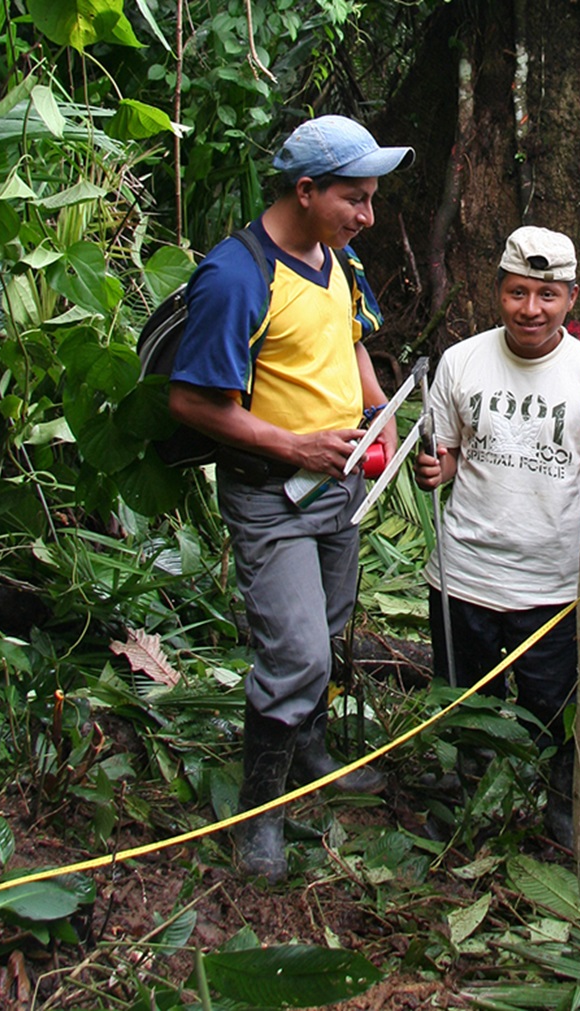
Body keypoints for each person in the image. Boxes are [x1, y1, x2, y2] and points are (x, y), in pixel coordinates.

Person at [168, 115, 414, 883]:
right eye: (355, 199)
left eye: (372, 199)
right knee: (297, 651)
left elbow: (349, 341)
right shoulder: (237, 276)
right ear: (305, 190)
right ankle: (259, 813)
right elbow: (194, 403)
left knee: (331, 623)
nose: (366, 216)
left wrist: (380, 407)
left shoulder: (337, 258)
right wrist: (297, 445)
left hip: (336, 485)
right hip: (273, 492)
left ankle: (308, 747)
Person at [414, 226, 580, 847]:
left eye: (547, 295)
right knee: (467, 701)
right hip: (467, 573)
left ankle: (560, 809)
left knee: (552, 711)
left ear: (571, 298)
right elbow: (451, 451)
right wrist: (437, 466)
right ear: (499, 292)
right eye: (517, 293)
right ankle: (468, 802)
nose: (530, 309)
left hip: (553, 584)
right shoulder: (463, 361)